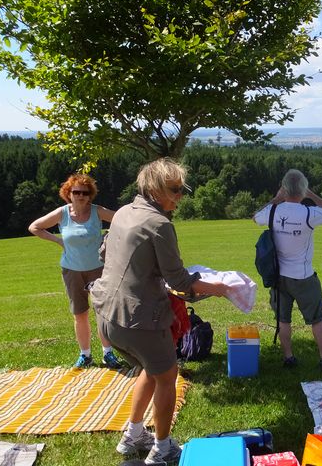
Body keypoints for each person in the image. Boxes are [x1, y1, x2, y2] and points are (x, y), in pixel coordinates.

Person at [90, 157, 231, 464]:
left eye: (182, 189)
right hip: (138, 320)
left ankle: (133, 435)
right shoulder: (160, 224)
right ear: (154, 189)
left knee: (149, 369)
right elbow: (179, 281)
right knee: (168, 376)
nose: (180, 196)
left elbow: (104, 253)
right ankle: (163, 448)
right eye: (174, 189)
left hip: (107, 316)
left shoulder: (123, 212)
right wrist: (221, 288)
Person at [28, 174, 122, 369]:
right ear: (68, 193)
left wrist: (111, 238)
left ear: (90, 195)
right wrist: (58, 241)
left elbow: (123, 220)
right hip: (72, 271)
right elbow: (34, 227)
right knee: (80, 314)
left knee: (103, 313)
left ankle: (108, 354)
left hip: (99, 270)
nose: (80, 196)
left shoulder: (97, 211)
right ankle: (85, 355)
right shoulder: (62, 213)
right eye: (76, 192)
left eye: (85, 193)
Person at [254, 169, 322, 369]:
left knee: (283, 319)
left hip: (278, 276)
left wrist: (276, 199)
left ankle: (289, 358)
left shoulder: (273, 211)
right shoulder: (309, 214)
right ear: (302, 189)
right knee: (317, 319)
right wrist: (311, 195)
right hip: (304, 276)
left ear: (284, 188)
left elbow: (255, 216)